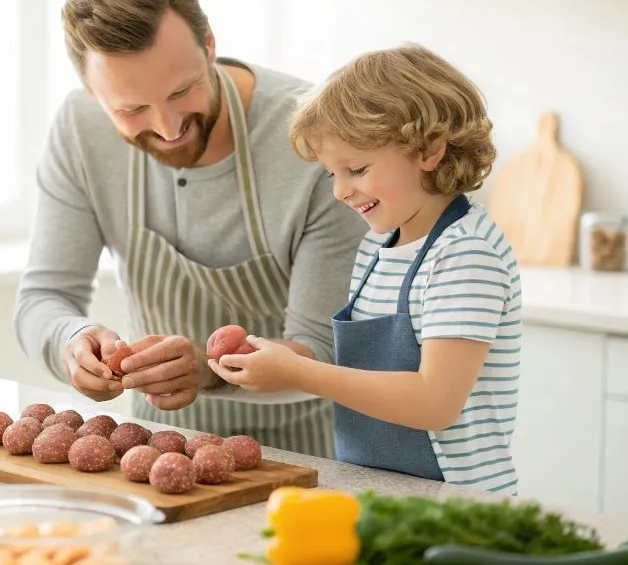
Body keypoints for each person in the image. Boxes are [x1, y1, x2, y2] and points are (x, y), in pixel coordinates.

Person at [13, 0, 367, 457]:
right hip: (159, 451)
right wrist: (70, 341)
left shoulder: (314, 141)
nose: (168, 125)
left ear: (210, 45)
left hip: (308, 456)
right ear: (96, 98)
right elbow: (42, 298)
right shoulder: (80, 130)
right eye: (131, 110)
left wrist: (207, 367)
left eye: (182, 91)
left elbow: (325, 353)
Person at [209, 44, 522, 494]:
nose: (340, 191)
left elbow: (435, 403)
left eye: (355, 168)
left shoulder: (464, 253)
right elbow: (356, 373)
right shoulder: (379, 245)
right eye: (331, 174)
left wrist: (300, 374)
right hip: (379, 492)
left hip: (458, 504)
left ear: (429, 151)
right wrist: (275, 359)